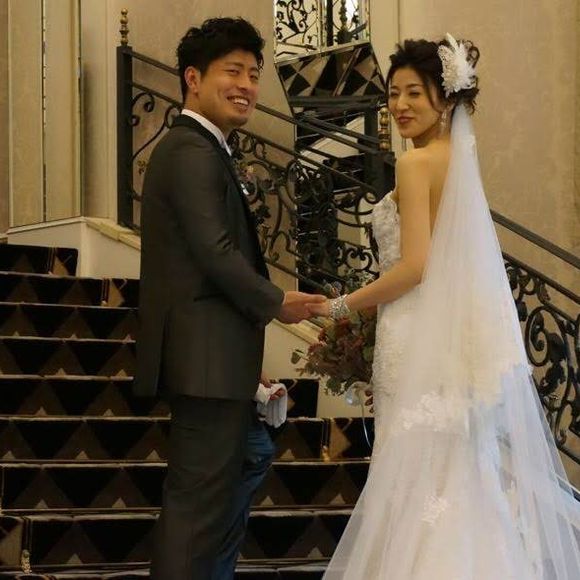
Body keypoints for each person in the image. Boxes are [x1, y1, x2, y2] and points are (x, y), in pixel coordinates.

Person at [310, 35, 580, 578]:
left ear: (446, 98)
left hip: (415, 338)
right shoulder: (459, 160)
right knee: (457, 477)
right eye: (393, 93)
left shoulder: (415, 164)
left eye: (415, 92)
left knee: (417, 481)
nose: (400, 104)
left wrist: (342, 306)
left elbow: (415, 267)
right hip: (443, 340)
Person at [134, 17, 324, 580]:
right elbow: (214, 252)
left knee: (238, 473)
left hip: (217, 362)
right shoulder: (190, 150)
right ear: (193, 78)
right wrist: (276, 301)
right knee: (196, 510)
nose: (246, 85)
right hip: (204, 368)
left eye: (254, 74)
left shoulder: (207, 149)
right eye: (233, 71)